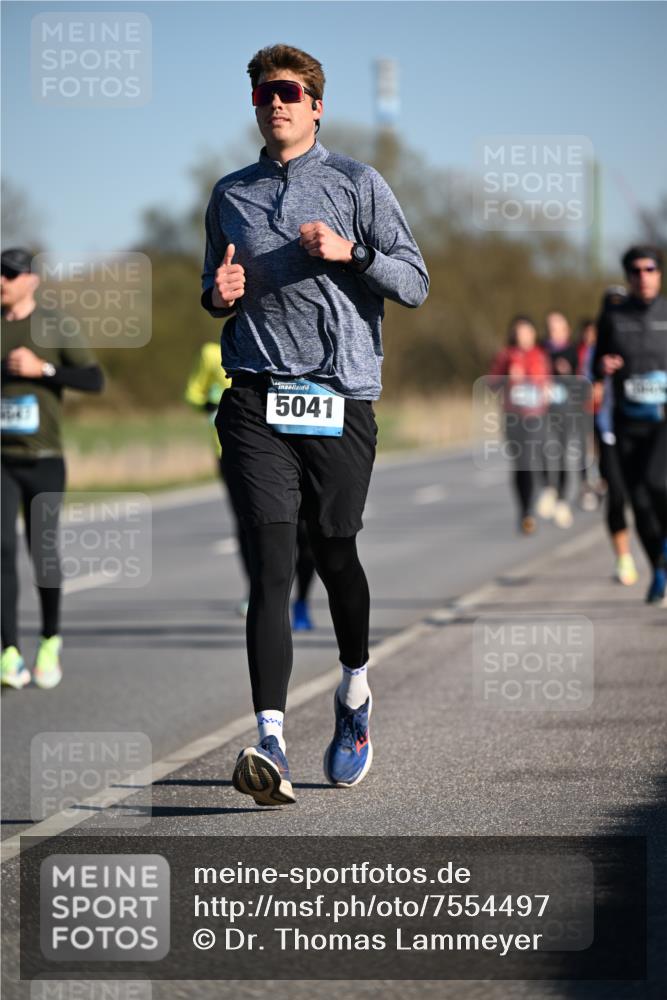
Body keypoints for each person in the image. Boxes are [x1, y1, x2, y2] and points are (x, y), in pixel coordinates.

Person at [201, 44, 429, 804]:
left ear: (316, 105)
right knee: (270, 565)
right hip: (256, 397)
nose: (277, 102)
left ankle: (355, 694)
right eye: (265, 92)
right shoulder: (230, 194)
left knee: (334, 550)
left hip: (339, 397)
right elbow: (215, 285)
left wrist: (350, 251)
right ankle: (269, 736)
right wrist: (218, 293)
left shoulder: (357, 183)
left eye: (290, 91)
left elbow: (414, 281)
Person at [1, 247, 104, 688]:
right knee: (2, 548)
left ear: (32, 280)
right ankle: (8, 651)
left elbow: (93, 379)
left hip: (45, 459)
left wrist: (41, 368)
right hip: (2, 459)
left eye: (9, 274)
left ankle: (49, 639)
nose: (1, 281)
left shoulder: (53, 323)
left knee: (41, 553)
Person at [184, 333, 316, 627]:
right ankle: (257, 591)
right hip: (236, 449)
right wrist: (214, 400)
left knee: (306, 533)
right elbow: (192, 394)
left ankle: (302, 601)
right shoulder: (210, 353)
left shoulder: (291, 339)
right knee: (251, 524)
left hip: (299, 444)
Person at [594, 246, 667, 604]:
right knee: (637, 504)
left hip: (662, 421)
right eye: (636, 270)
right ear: (628, 276)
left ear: (659, 274)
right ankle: (658, 567)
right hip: (626, 423)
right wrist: (603, 366)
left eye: (650, 268)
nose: (643, 275)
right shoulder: (613, 318)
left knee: (657, 483)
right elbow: (595, 365)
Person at [584, 290, 638, 586]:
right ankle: (624, 558)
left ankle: (659, 558)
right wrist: (595, 384)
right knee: (617, 497)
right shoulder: (595, 351)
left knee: (648, 497)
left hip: (648, 430)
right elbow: (584, 387)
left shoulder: (648, 338)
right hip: (610, 432)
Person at [489, 316, 550, 534]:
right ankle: (525, 511)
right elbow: (492, 385)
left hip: (536, 416)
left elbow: (549, 385)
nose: (522, 336)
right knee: (520, 464)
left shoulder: (541, 356)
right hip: (513, 417)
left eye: (526, 332)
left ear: (533, 334)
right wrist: (507, 378)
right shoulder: (506, 355)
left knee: (531, 460)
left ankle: (535, 504)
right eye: (518, 332)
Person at [536, 310, 581, 529]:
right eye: (550, 327)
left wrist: (568, 374)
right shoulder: (542, 349)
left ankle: (563, 499)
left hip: (567, 409)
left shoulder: (573, 351)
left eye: (557, 327)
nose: (553, 332)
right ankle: (548, 487)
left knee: (562, 453)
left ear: (566, 330)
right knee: (543, 447)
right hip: (544, 408)